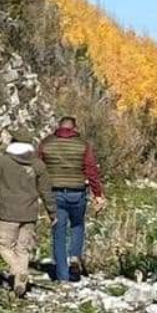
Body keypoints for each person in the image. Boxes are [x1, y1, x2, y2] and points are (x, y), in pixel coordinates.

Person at [0, 133, 56, 298]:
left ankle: (18, 271)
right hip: (29, 214)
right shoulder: (38, 165)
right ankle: (20, 284)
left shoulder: (2, 162)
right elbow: (46, 191)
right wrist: (53, 213)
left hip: (7, 213)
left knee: (3, 245)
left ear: (12, 143)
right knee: (23, 249)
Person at [36, 116, 105, 282]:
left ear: (58, 127)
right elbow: (91, 171)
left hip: (54, 194)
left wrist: (36, 191)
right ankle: (74, 255)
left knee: (58, 232)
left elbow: (37, 168)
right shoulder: (82, 144)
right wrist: (98, 194)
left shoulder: (46, 143)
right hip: (77, 192)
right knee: (78, 224)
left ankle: (62, 276)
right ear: (74, 128)